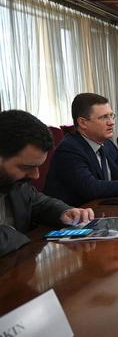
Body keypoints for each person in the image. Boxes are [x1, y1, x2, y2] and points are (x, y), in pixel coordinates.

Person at [0, 110, 94, 257]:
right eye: (26, 167)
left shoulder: (14, 182)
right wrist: (15, 235)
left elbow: (39, 203)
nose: (36, 175)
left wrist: (64, 212)